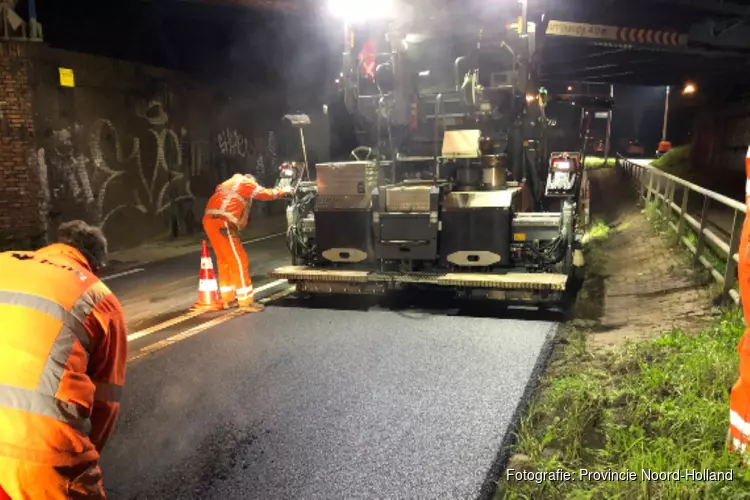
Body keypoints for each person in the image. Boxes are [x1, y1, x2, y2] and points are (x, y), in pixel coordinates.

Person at [0, 220, 127, 500]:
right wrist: (81, 462)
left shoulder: (4, 261)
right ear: (96, 265)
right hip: (36, 454)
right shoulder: (98, 296)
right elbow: (105, 401)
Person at [203, 173, 291, 312]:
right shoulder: (245, 182)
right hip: (223, 222)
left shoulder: (228, 183)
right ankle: (246, 302)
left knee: (224, 261)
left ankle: (228, 299)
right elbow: (265, 194)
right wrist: (283, 191)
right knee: (239, 261)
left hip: (210, 221)